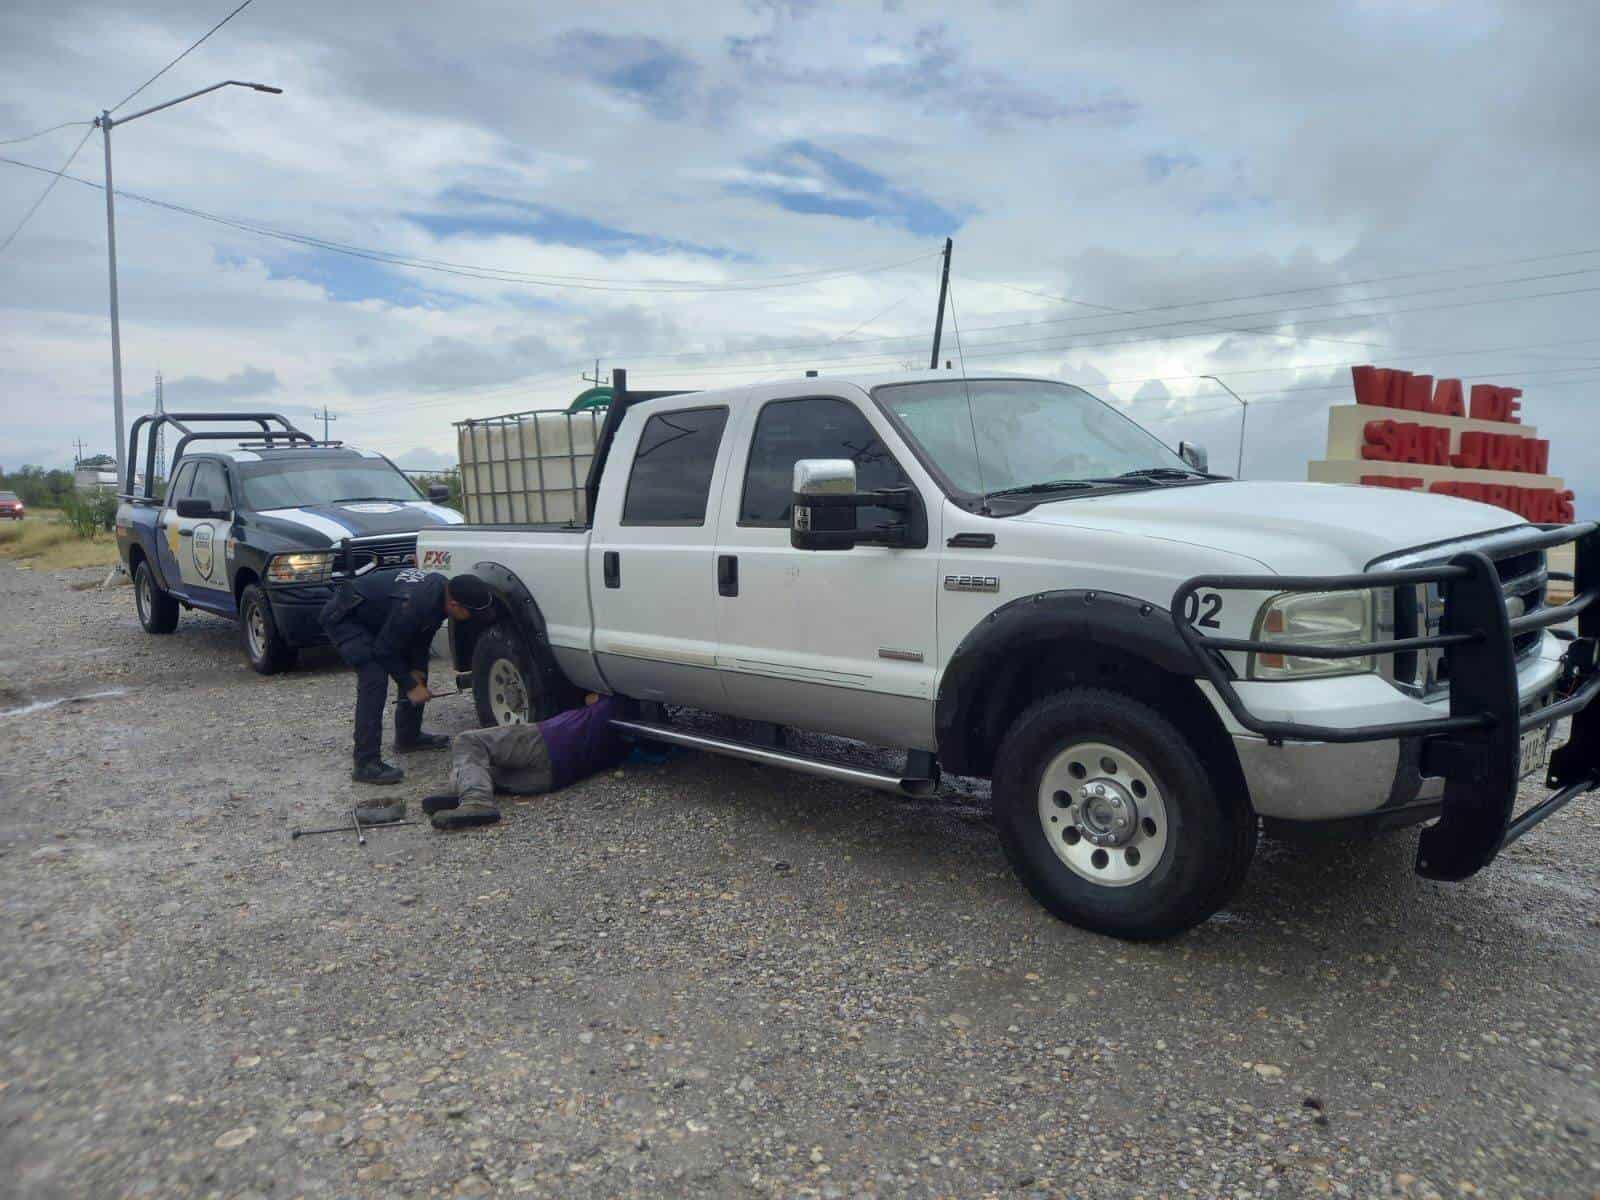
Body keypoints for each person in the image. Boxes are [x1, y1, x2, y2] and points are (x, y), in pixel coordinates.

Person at [320, 567, 493, 808]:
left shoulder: (441, 594)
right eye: (470, 613)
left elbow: (420, 639)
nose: (471, 619)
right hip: (347, 617)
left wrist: (417, 674)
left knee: (417, 672)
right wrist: (410, 686)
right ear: (454, 604)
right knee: (374, 677)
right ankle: (365, 763)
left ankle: (408, 737)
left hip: (380, 617)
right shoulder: (417, 604)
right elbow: (384, 650)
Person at [423, 693, 633, 830]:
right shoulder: (631, 741)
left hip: (548, 740)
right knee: (486, 768)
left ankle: (475, 801)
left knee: (468, 741)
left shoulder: (616, 701)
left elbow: (591, 697)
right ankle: (464, 792)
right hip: (553, 777)